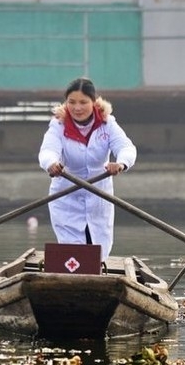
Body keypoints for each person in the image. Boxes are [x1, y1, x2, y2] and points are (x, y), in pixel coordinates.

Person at [38, 77, 136, 260]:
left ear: (94, 102)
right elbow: (47, 151)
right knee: (73, 254)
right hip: (67, 194)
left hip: (98, 194)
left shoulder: (108, 124)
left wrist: (121, 163)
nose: (77, 108)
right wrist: (51, 163)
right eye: (72, 102)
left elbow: (126, 148)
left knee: (98, 251)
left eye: (83, 102)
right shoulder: (58, 125)